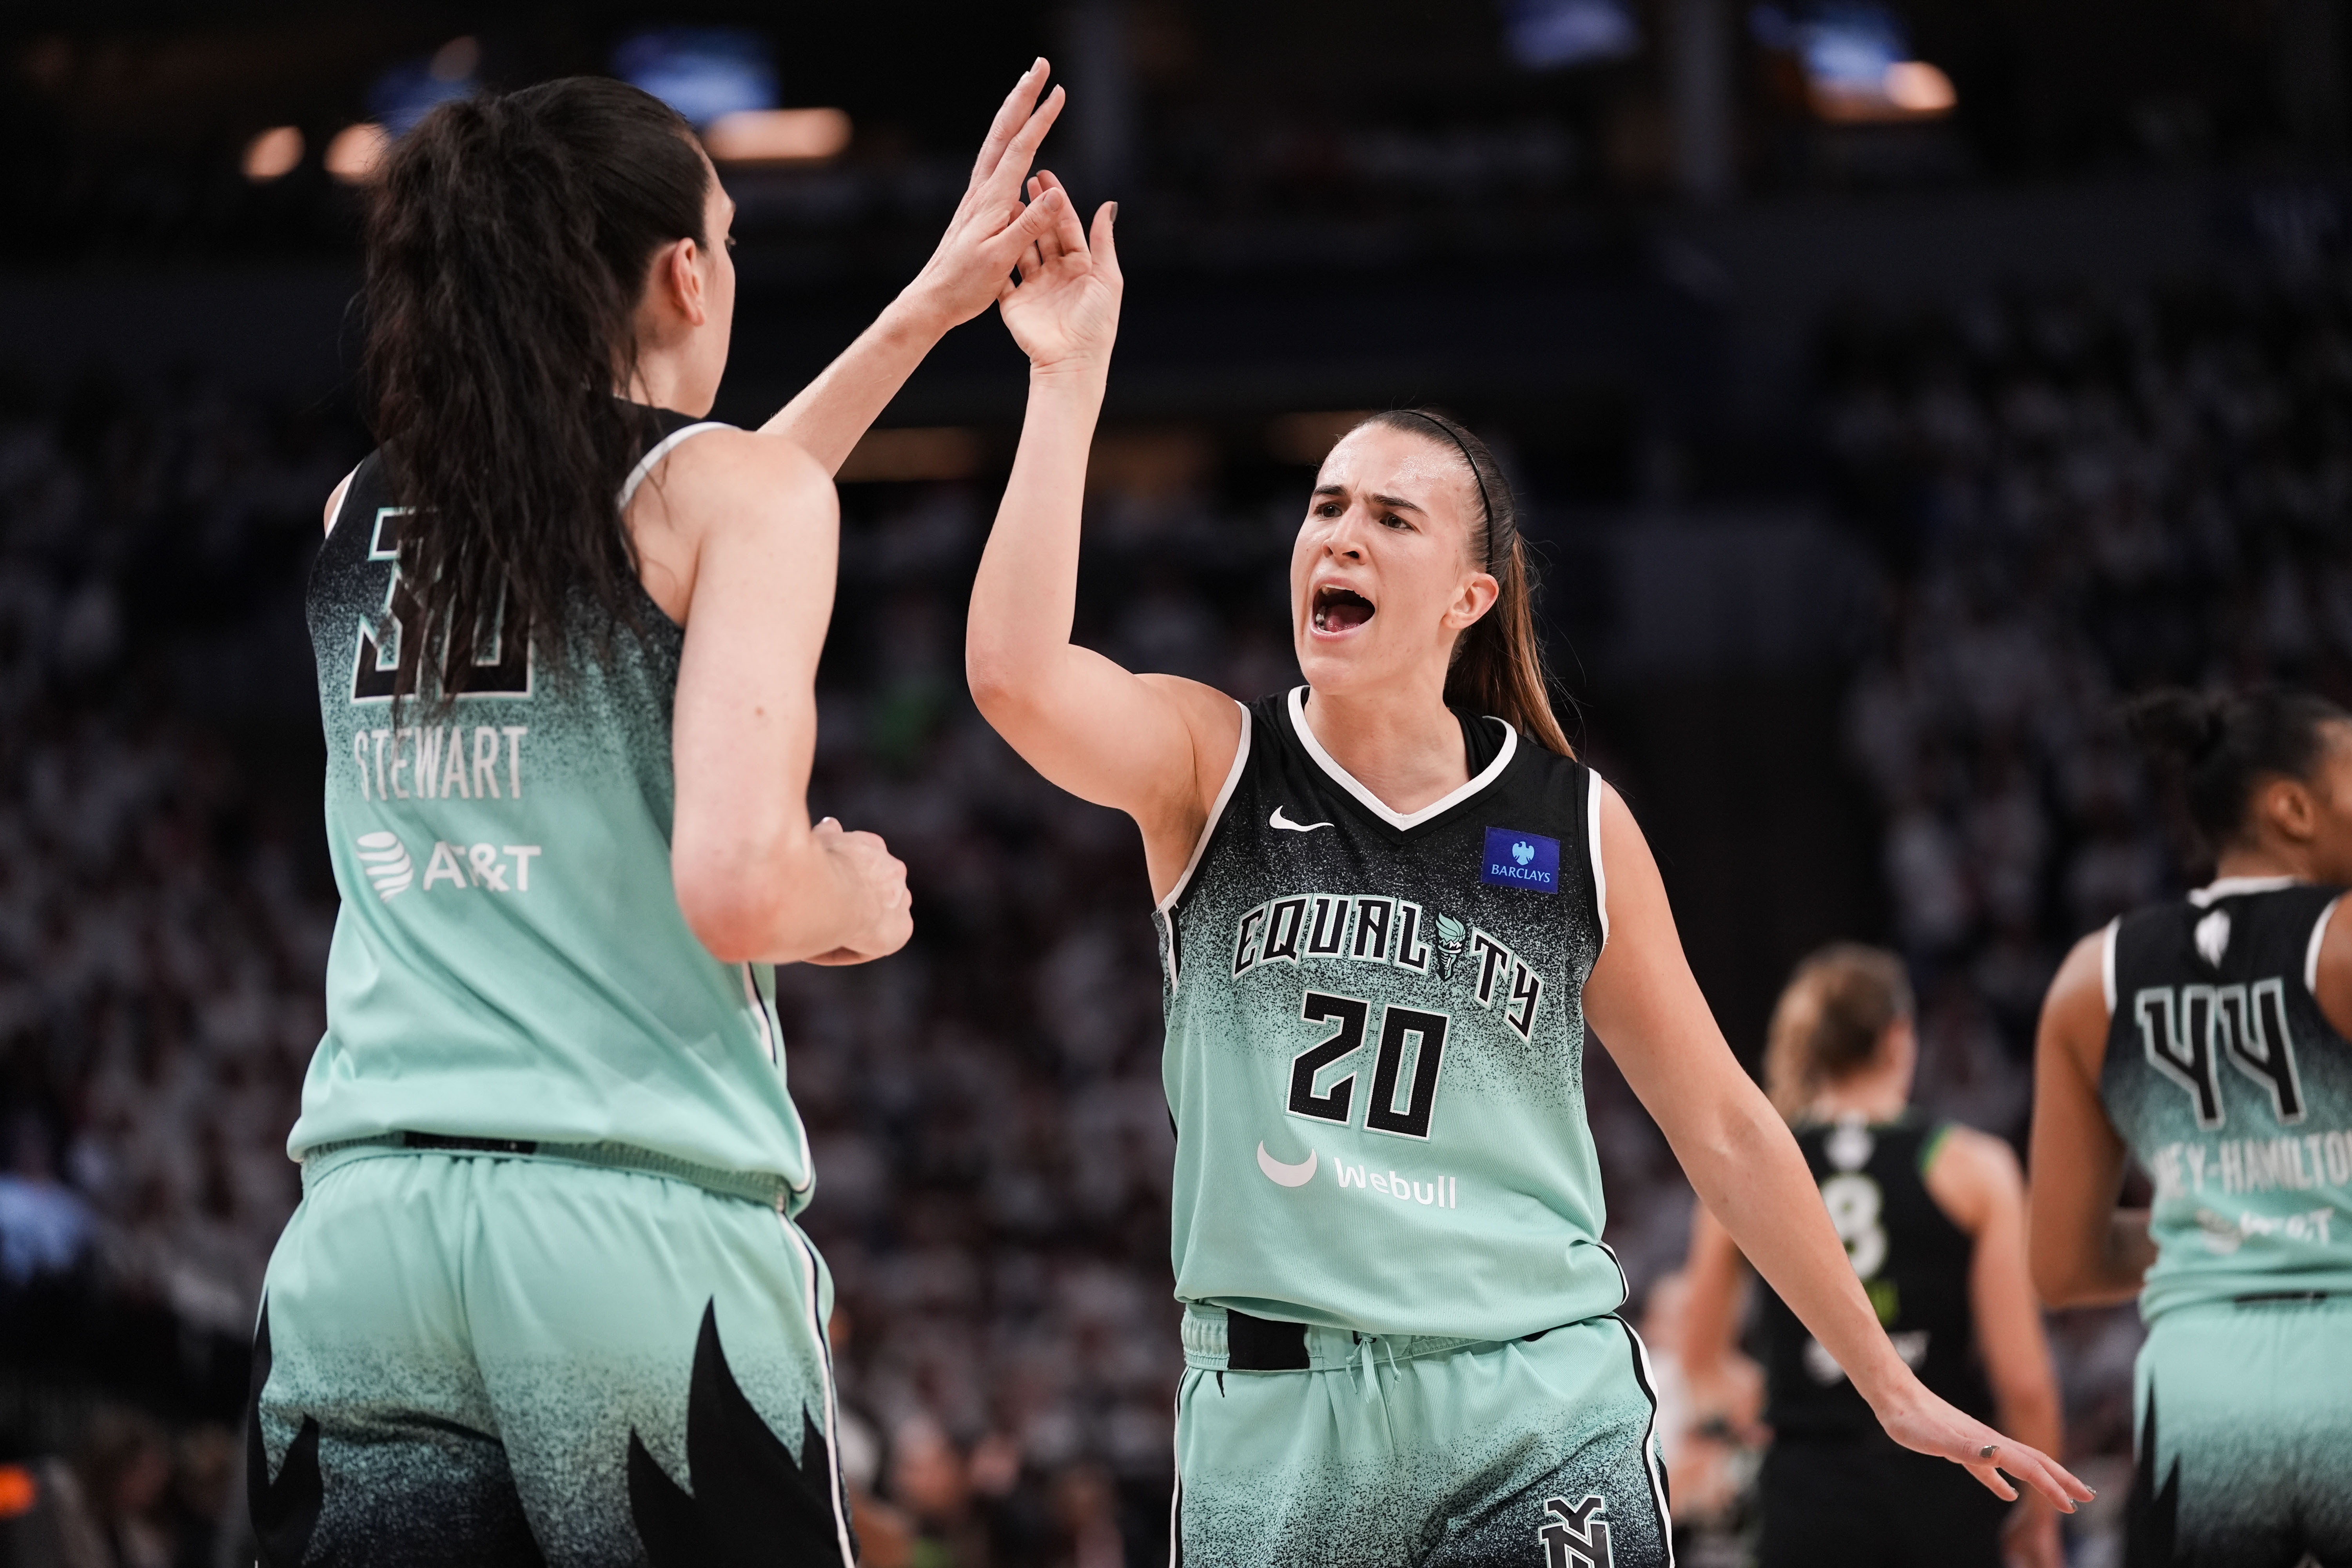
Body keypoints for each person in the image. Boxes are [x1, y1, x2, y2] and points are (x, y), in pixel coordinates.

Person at [960, 172, 2090, 1566]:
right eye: (1325, 506)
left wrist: (1889, 1382)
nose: (1341, 534)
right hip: (1279, 1419)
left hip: (1531, 1399)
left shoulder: (1574, 824)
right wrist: (1068, 380)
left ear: (1468, 597)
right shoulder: (1213, 762)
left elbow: (1729, 1128)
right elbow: (1013, 679)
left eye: (1390, 517)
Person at [250, 64, 1079, 1566]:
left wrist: (920, 317)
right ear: (685, 272)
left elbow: (677, 522)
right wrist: (853, 890)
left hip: (362, 1248)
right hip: (625, 1250)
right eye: (734, 239)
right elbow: (740, 885)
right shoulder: (727, 502)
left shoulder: (359, 505)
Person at [2030, 688, 2352, 1568]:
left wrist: (2225, 1221)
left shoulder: (2090, 977)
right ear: (2293, 807)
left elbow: (2062, 1263)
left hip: (2198, 1392)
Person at [1681, 944, 2063, 1568]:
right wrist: (2040, 1518)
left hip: (1809, 1491)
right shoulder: (1973, 1168)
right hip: (1943, 1488)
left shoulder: (1752, 1170)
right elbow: (2023, 1380)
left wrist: (1787, 1398)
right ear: (1899, 1037)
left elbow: (1704, 1366)